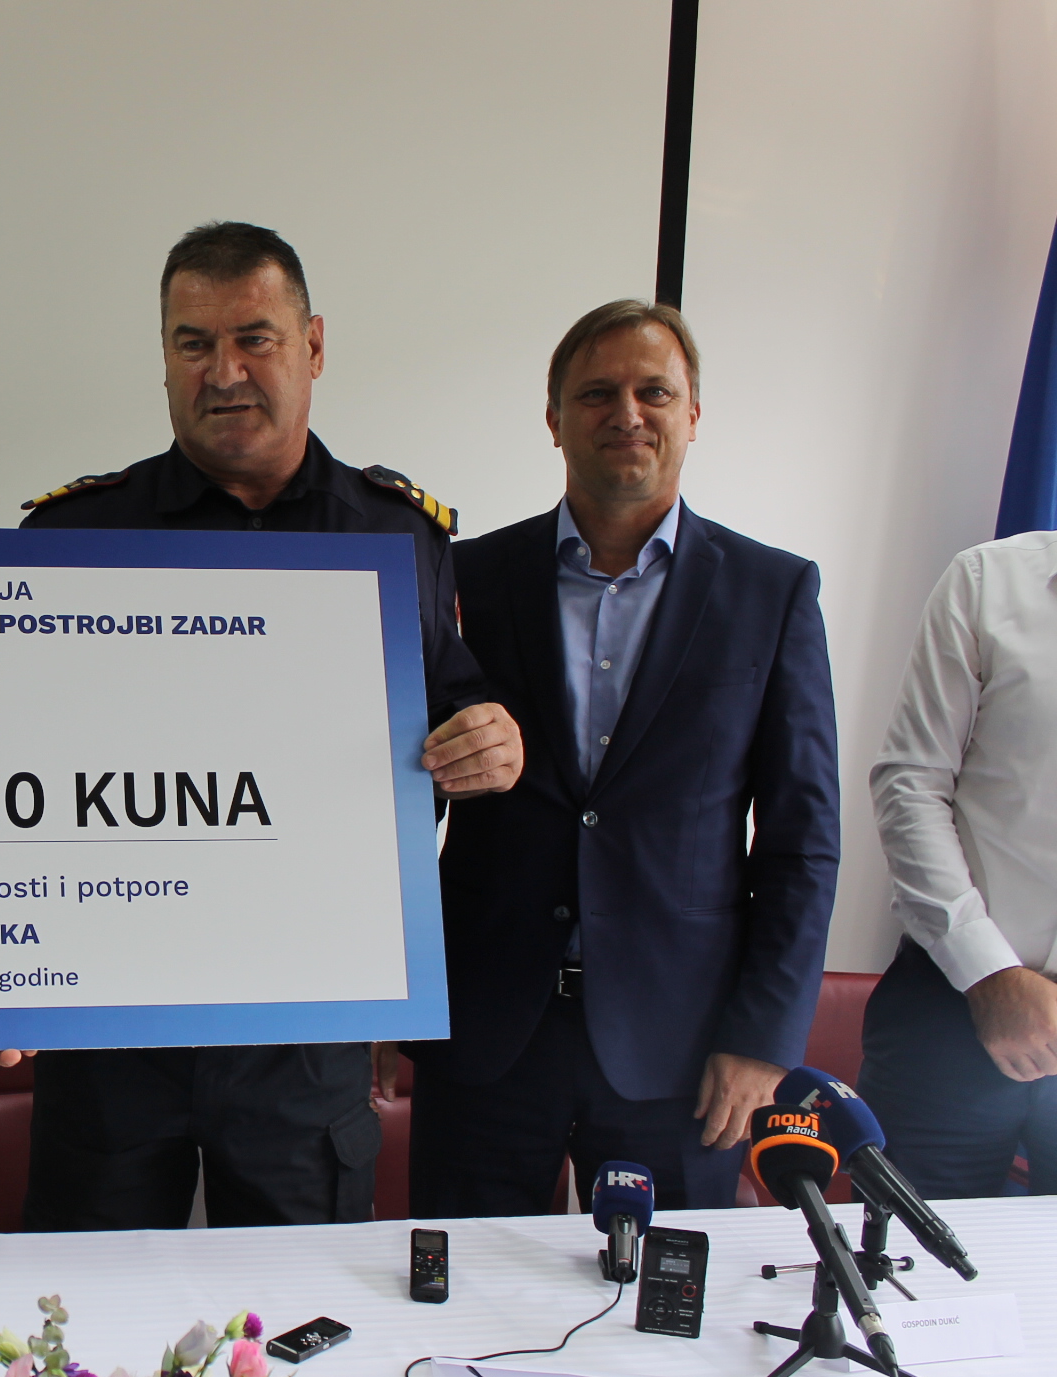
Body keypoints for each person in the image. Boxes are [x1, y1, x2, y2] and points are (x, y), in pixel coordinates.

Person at [10, 221, 523, 1230]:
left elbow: (449, 701)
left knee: (300, 1316)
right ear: (164, 357)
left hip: (305, 1027)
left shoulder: (393, 533)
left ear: (314, 345)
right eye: (193, 343)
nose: (224, 371)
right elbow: (6, 767)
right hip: (113, 1025)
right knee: (87, 1308)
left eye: (255, 338)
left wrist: (488, 737)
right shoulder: (75, 535)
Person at [408, 300, 841, 1216]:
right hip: (486, 1033)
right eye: (597, 393)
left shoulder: (772, 592)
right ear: (554, 417)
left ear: (694, 414)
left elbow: (802, 840)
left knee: (663, 1296)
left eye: (655, 392)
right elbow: (403, 804)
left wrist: (763, 1039)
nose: (627, 413)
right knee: (459, 1296)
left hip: (683, 1053)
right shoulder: (463, 579)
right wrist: (385, 992)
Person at [859, 529, 1057, 1196]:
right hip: (951, 1008)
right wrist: (991, 975)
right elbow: (910, 783)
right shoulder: (987, 581)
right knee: (909, 1256)